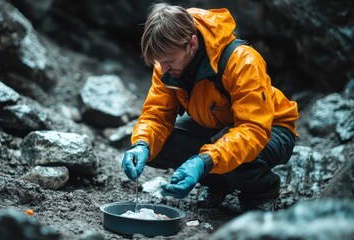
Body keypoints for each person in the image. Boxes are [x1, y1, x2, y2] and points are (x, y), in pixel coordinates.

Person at [121, 3, 299, 212]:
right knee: (157, 149)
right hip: (215, 123)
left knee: (224, 148)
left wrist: (205, 161)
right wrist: (141, 144)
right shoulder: (166, 64)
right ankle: (219, 184)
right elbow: (156, 115)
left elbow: (253, 130)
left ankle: (262, 191)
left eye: (169, 61)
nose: (163, 68)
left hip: (271, 129)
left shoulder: (242, 61)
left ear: (192, 43)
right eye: (160, 63)